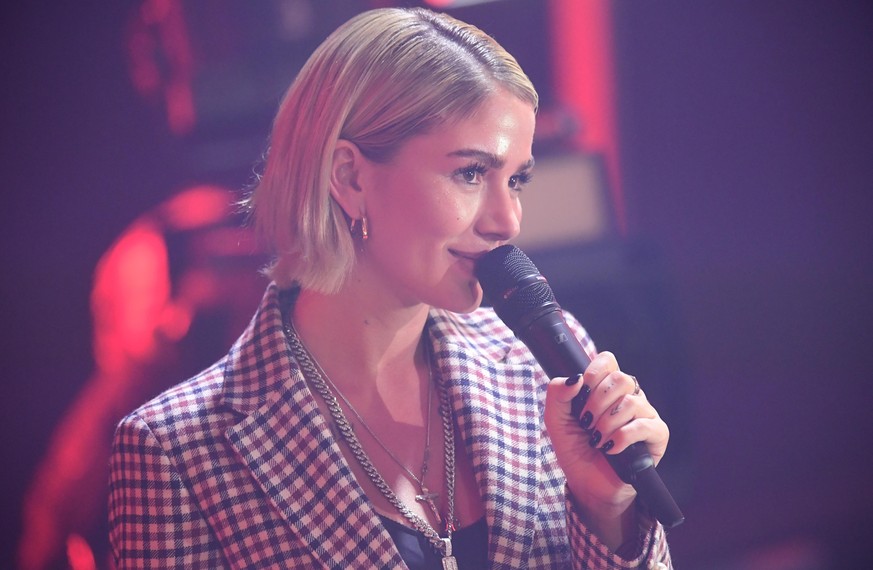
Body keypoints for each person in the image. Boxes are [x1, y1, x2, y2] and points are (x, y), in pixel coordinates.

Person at [109, 7, 673, 569]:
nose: (508, 222)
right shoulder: (175, 453)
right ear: (351, 177)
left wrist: (609, 512)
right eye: (471, 174)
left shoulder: (541, 369)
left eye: (516, 180)